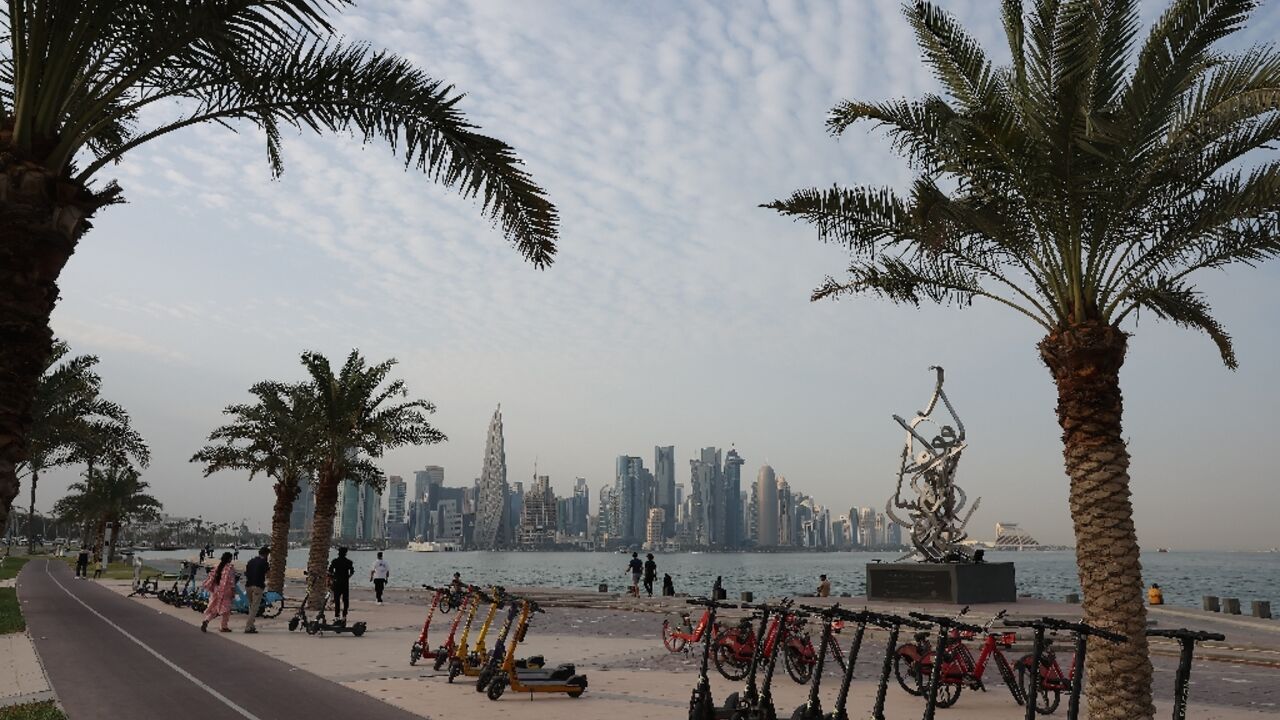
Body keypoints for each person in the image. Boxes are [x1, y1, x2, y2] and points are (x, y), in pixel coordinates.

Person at [200, 552, 237, 633]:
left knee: (215, 609)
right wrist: (233, 592)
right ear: (229, 559)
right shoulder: (230, 568)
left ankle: (206, 620)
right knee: (226, 610)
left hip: (216, 591)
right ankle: (223, 626)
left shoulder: (217, 567)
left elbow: (212, 578)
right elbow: (232, 582)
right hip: (226, 592)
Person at [243, 546, 270, 633]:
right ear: (266, 554)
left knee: (251, 607)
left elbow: (246, 573)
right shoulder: (264, 563)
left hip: (248, 586)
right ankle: (248, 627)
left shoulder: (251, 561)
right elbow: (268, 574)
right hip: (258, 586)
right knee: (254, 608)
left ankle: (252, 625)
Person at [327, 547, 355, 621]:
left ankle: (337, 616)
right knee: (345, 600)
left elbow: (330, 571)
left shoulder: (335, 561)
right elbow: (352, 572)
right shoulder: (349, 562)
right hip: (345, 582)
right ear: (346, 553)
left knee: (337, 600)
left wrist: (333, 577)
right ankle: (344, 616)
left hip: (337, 582)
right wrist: (348, 577)